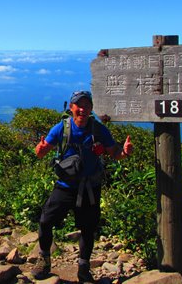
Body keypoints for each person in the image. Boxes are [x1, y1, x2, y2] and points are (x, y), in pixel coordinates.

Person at [32, 90, 134, 282]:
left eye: (87, 105)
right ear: (71, 108)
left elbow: (115, 153)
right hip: (65, 185)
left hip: (89, 187)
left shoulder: (99, 130)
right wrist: (40, 149)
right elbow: (41, 153)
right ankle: (44, 258)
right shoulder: (61, 128)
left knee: (88, 229)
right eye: (79, 105)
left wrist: (125, 153)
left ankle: (83, 268)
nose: (82, 109)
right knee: (45, 221)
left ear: (91, 109)